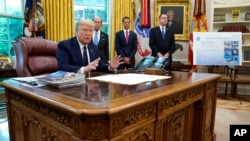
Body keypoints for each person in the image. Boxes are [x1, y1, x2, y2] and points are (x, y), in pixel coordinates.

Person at [56, 20, 123, 74]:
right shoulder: (65, 45)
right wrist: (84, 69)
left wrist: (110, 67)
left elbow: (98, 65)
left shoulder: (93, 47)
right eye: (84, 30)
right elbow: (62, 67)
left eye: (90, 31)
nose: (88, 34)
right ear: (76, 32)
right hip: (72, 84)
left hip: (90, 84)